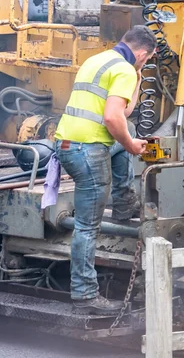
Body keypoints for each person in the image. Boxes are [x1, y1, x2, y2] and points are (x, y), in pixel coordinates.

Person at [54, 25, 156, 315]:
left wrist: (136, 78)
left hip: (68, 145)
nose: (143, 65)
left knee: (129, 131)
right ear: (141, 53)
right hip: (88, 152)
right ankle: (86, 295)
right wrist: (133, 145)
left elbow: (124, 115)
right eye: (145, 61)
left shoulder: (97, 60)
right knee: (87, 227)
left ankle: (124, 203)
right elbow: (113, 119)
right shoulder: (123, 69)